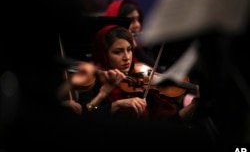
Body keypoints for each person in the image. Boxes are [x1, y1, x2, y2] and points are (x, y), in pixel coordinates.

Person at [58, 25, 197, 124]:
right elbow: (87, 112)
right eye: (118, 52)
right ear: (104, 54)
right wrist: (113, 102)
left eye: (129, 50)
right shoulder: (93, 82)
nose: (126, 57)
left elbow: (169, 125)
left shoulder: (141, 79)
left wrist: (194, 105)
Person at [104, 0, 166, 73]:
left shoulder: (143, 47)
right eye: (131, 21)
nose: (137, 25)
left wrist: (138, 49)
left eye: (138, 19)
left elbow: (158, 70)